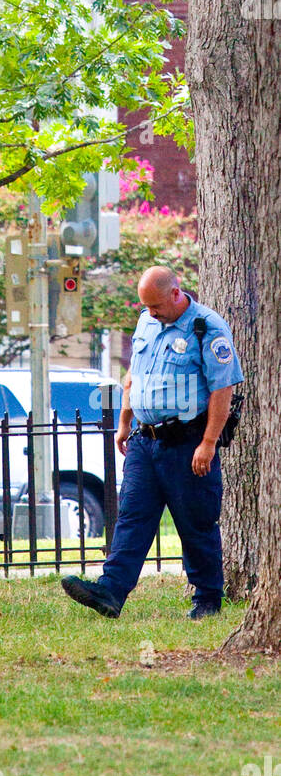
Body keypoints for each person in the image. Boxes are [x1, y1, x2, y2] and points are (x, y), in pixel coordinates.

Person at [62, 266, 243, 621]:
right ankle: (111, 591)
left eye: (156, 305)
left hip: (187, 441)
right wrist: (125, 421)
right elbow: (135, 374)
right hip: (145, 440)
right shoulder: (147, 320)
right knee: (132, 517)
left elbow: (224, 388)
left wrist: (208, 443)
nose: (151, 312)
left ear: (176, 294)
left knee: (195, 523)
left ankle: (207, 599)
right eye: (146, 306)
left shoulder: (207, 327)